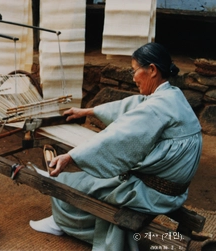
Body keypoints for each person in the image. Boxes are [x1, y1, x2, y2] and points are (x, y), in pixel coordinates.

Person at [29, 42, 203, 251]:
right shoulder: (172, 95)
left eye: (134, 70)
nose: (133, 77)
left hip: (152, 192)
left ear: (152, 70)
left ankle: (60, 222)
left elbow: (119, 135)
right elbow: (134, 105)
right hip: (173, 188)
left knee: (74, 181)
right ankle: (62, 219)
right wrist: (87, 112)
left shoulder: (157, 106)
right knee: (96, 173)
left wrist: (71, 157)